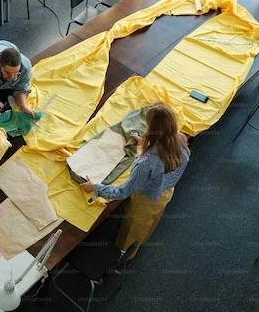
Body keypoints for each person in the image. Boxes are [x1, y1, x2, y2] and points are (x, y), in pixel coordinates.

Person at [79, 104, 191, 260]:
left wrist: (95, 187)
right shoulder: (180, 140)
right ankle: (140, 243)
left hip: (146, 201)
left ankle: (123, 255)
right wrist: (147, 143)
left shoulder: (147, 162)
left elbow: (122, 192)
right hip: (165, 193)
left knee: (133, 230)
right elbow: (163, 153)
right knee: (148, 224)